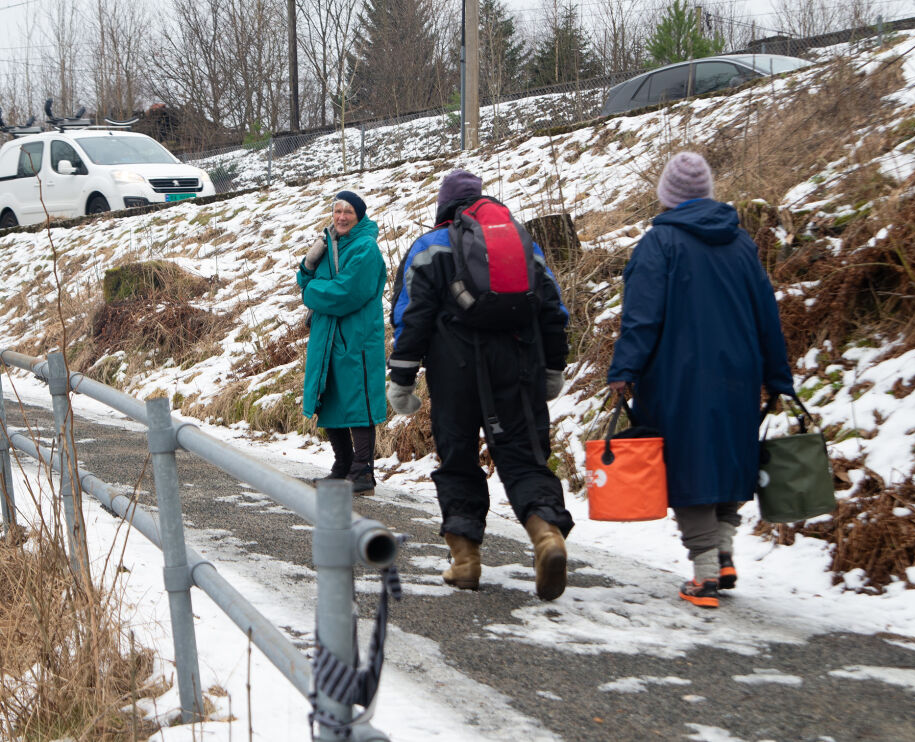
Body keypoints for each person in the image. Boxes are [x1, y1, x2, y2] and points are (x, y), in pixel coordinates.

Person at [607, 152, 794, 608]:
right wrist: (777, 376)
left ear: (667, 196)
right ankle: (724, 553)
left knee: (688, 465)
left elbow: (641, 318)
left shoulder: (660, 243)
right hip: (739, 372)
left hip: (678, 376)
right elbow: (766, 314)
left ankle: (705, 572)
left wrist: (624, 371)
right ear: (707, 191)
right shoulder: (740, 242)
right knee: (730, 459)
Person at [386, 169, 574, 601]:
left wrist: (402, 376)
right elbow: (551, 307)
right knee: (525, 456)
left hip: (454, 369)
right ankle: (546, 535)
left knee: (458, 458)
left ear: (443, 206)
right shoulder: (520, 242)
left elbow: (410, 317)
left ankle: (465, 560)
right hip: (519, 362)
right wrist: (554, 367)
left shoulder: (429, 247)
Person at [297, 190, 387, 495]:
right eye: (337, 211)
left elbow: (345, 293)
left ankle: (363, 472)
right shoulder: (328, 243)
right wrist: (308, 269)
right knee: (331, 395)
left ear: (359, 215)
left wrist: (311, 291)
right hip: (328, 336)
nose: (342, 217)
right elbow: (307, 277)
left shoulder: (366, 249)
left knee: (357, 399)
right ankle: (343, 464)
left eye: (348, 211)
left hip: (356, 337)